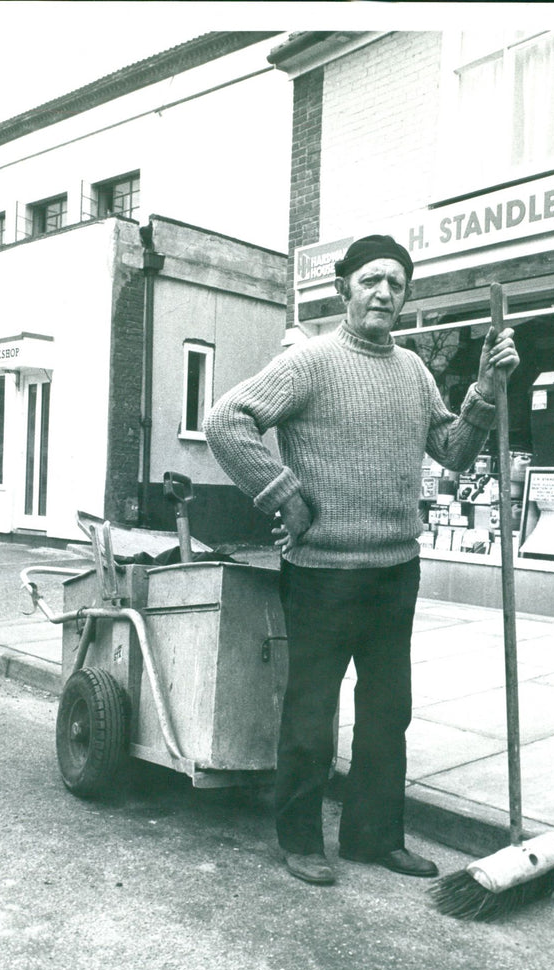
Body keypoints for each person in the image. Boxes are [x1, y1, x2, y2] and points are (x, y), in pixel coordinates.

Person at [205, 234, 518, 886]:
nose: (383, 292)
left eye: (396, 284)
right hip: (321, 573)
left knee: (387, 714)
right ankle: (299, 841)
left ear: (405, 297)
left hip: (394, 570)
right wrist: (281, 493)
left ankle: (373, 838)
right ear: (344, 287)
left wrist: (486, 391)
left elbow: (454, 452)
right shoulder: (309, 363)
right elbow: (227, 420)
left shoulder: (414, 371)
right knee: (312, 715)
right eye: (371, 279)